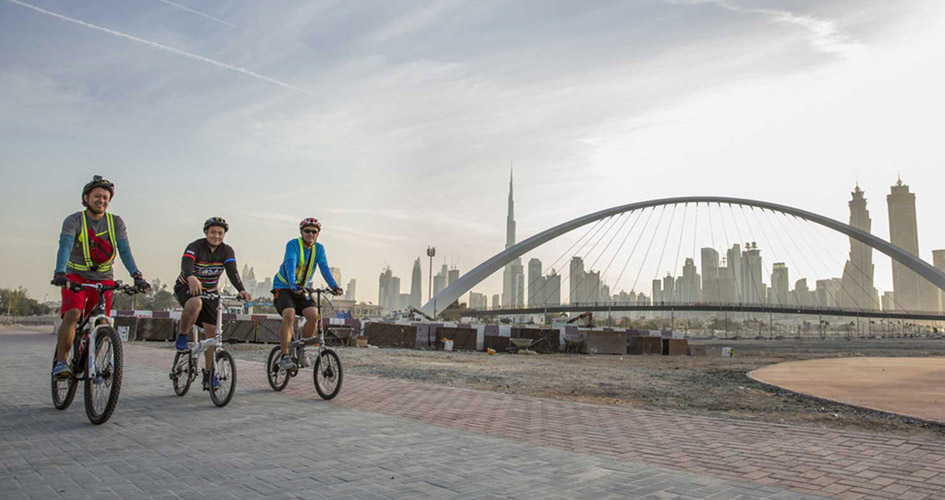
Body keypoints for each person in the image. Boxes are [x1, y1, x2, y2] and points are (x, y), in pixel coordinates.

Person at [52, 175, 150, 377]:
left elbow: (124, 250)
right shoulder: (74, 220)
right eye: (97, 196)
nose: (102, 201)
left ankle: (91, 360)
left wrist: (137, 275)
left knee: (102, 321)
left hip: (104, 278)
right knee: (73, 314)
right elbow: (65, 247)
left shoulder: (116, 223)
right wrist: (60, 273)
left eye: (106, 198)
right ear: (86, 198)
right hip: (75, 276)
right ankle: (61, 362)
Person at [173, 217, 251, 389]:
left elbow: (232, 271)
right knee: (195, 304)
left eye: (220, 233)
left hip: (210, 292)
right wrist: (190, 277)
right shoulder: (195, 246)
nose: (216, 236)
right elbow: (186, 264)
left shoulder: (226, 251)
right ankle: (183, 336)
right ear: (206, 233)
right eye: (213, 232)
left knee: (213, 335)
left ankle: (209, 373)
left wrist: (241, 290)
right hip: (187, 288)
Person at [271, 218, 342, 371]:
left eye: (314, 232)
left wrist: (334, 286)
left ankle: (301, 348)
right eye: (307, 231)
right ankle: (284, 356)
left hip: (301, 290)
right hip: (283, 288)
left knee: (313, 314)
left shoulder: (319, 249)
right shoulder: (293, 245)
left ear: (318, 234)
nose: (310, 234)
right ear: (301, 232)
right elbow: (290, 263)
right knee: (289, 315)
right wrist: (292, 284)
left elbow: (324, 268)